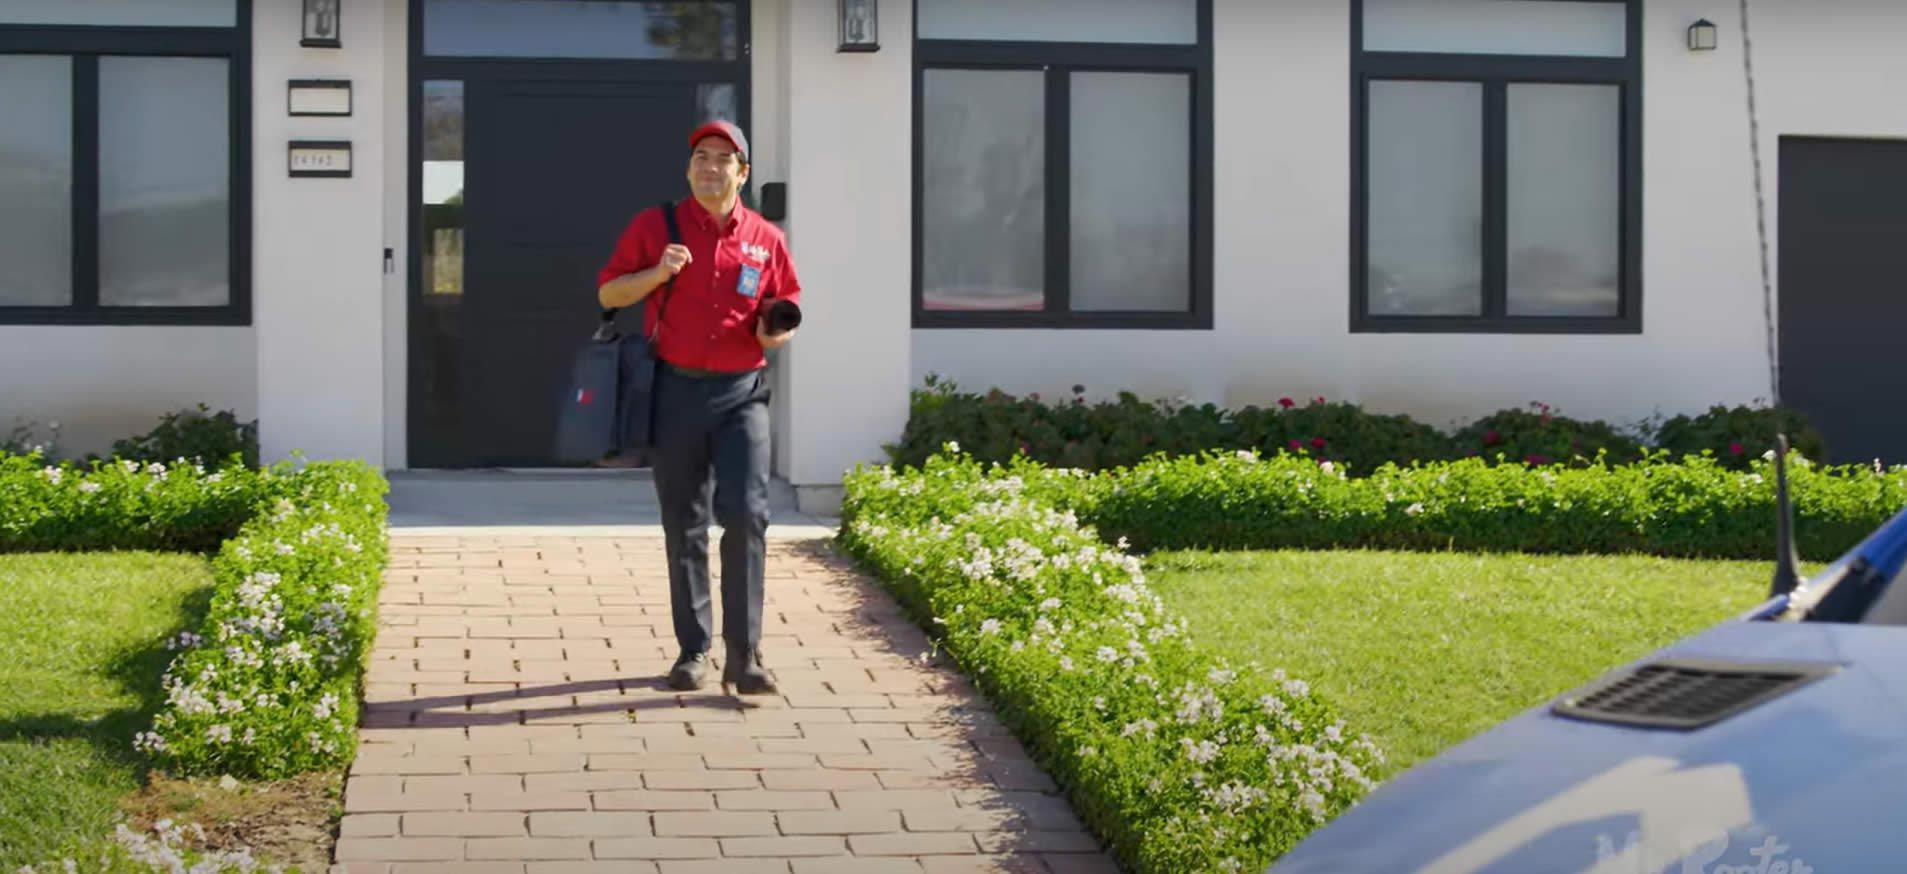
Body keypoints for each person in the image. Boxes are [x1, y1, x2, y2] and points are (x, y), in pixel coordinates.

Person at [595, 120, 800, 695]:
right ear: (689, 168)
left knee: (746, 515)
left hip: (742, 393)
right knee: (684, 523)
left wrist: (774, 332)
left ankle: (746, 655)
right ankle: (693, 650)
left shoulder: (766, 238)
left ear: (743, 172)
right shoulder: (655, 226)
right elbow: (608, 293)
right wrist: (659, 272)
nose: (710, 167)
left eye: (723, 158)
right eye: (700, 157)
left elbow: (780, 317)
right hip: (675, 389)